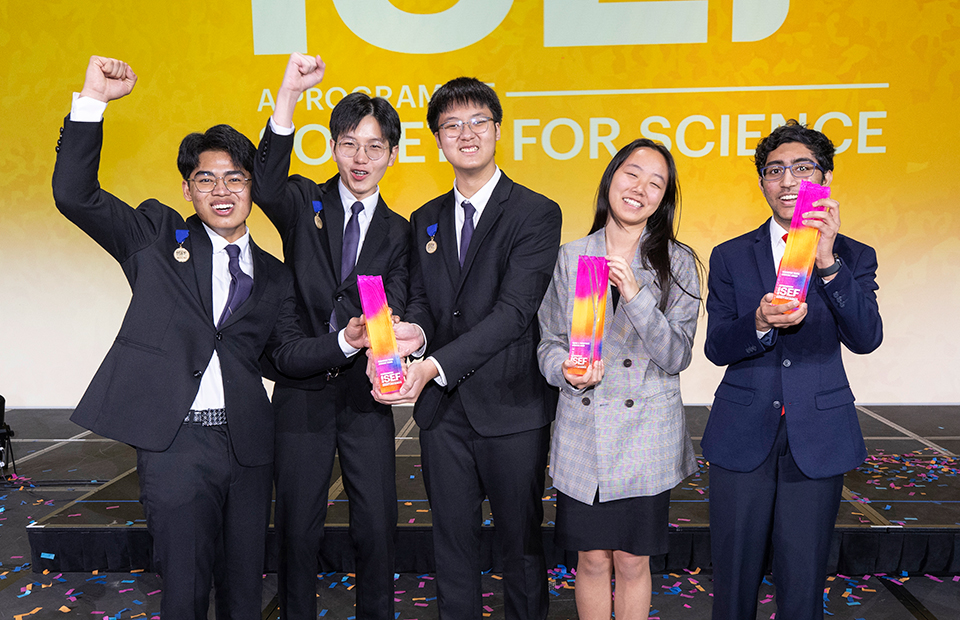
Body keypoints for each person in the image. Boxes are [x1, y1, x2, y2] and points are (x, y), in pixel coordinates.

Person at [53, 56, 357, 620]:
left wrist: (347, 341)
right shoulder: (153, 236)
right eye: (206, 179)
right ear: (188, 190)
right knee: (186, 590)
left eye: (235, 178)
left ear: (251, 187)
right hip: (175, 445)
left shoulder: (272, 273)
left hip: (246, 447)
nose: (222, 191)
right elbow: (76, 194)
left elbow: (286, 354)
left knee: (244, 591)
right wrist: (92, 99)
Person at [373, 77, 562, 620]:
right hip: (444, 415)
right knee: (450, 548)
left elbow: (514, 313)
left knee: (520, 547)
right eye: (451, 126)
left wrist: (433, 363)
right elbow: (428, 305)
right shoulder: (423, 218)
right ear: (438, 140)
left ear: (498, 131)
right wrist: (414, 334)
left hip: (511, 409)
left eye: (478, 121)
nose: (466, 133)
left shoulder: (535, 212)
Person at [702, 120, 883, 620]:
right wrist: (757, 322)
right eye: (774, 170)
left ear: (824, 179)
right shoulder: (731, 255)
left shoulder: (853, 255)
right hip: (743, 430)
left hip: (818, 434)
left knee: (803, 584)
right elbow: (717, 346)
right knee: (733, 583)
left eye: (802, 168)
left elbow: (866, 338)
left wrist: (828, 263)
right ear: (762, 181)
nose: (788, 181)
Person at [253, 52, 410, 620]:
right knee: (297, 527)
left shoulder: (402, 231)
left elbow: (399, 302)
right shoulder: (303, 202)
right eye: (349, 143)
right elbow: (265, 179)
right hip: (301, 389)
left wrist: (397, 343)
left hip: (368, 394)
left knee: (376, 525)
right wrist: (289, 94)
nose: (360, 157)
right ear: (333, 147)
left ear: (392, 154)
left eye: (373, 146)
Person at [537, 139, 700, 619]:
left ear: (663, 199)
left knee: (631, 561)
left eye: (656, 183)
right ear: (611, 178)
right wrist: (565, 371)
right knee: (589, 560)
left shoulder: (678, 261)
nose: (640, 189)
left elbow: (677, 355)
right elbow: (546, 342)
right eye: (632, 174)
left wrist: (634, 294)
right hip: (582, 434)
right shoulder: (570, 257)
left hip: (645, 436)